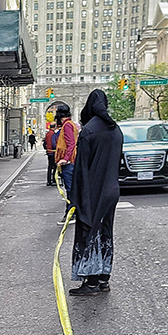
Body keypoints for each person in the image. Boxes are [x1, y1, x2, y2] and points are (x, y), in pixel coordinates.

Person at [69, 89, 123, 296]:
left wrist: (74, 200)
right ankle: (103, 279)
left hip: (92, 191)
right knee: (106, 232)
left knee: (89, 232)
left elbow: (81, 169)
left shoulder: (89, 131)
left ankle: (90, 282)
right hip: (112, 189)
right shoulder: (115, 129)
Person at [54, 103, 78, 224]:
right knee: (71, 188)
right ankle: (72, 212)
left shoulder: (67, 126)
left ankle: (71, 213)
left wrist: (65, 158)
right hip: (70, 162)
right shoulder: (70, 124)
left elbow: (71, 144)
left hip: (69, 163)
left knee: (70, 189)